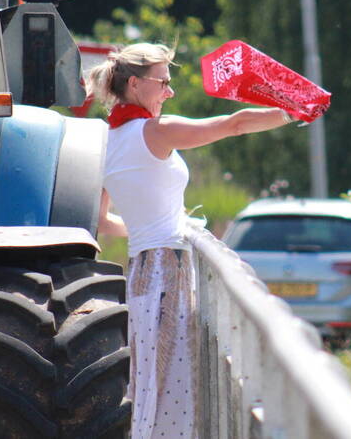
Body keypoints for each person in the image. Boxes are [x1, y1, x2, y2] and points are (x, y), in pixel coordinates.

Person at [86, 42, 297, 439]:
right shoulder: (156, 130)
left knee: (152, 382)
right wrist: (292, 110)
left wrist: (151, 224)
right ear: (135, 84)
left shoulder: (107, 139)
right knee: (176, 383)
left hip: (142, 271)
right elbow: (234, 124)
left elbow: (103, 220)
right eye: (163, 82)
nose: (169, 92)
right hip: (169, 270)